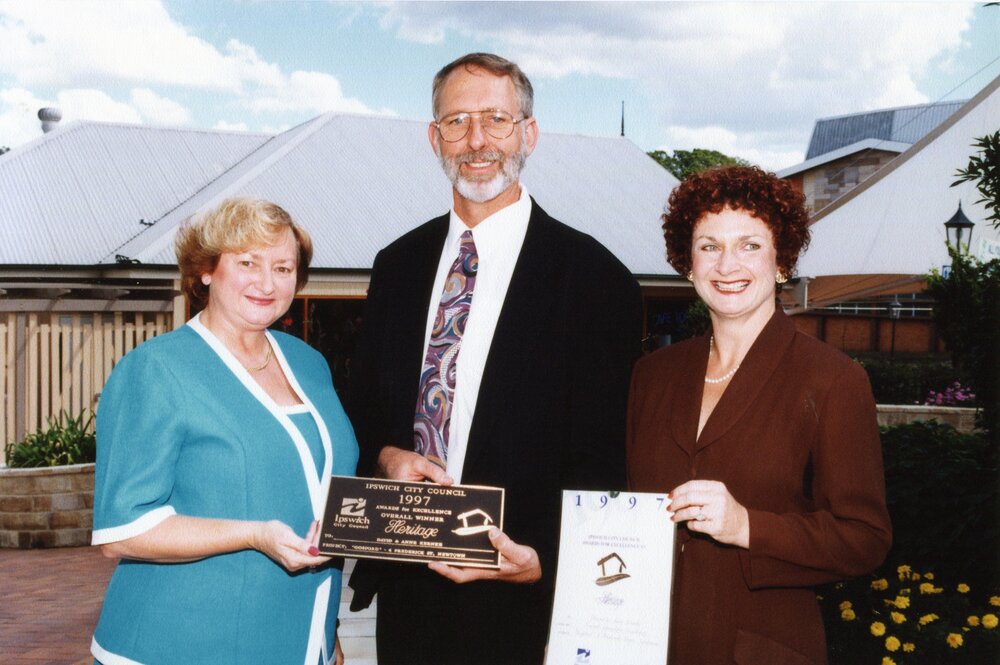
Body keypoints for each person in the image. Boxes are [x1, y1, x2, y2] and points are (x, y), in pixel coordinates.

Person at [347, 53, 643, 665]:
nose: (476, 141)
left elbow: (607, 458)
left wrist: (546, 561)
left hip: (522, 600)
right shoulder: (395, 266)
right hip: (407, 591)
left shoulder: (594, 278)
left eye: (496, 120)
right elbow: (365, 407)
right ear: (434, 138)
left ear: (528, 133)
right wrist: (385, 453)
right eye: (456, 122)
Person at [627, 166, 892, 664]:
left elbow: (865, 539)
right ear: (688, 263)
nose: (728, 265)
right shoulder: (652, 374)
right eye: (709, 246)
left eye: (749, 245)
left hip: (760, 648)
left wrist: (747, 525)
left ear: (782, 260)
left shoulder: (832, 380)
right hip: (645, 645)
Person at [90, 198, 358, 665]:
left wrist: (325, 634)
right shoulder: (155, 370)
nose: (267, 283)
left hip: (298, 639)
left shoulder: (308, 364)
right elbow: (124, 531)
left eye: (282, 267)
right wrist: (254, 534)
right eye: (248, 263)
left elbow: (319, 497)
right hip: (178, 646)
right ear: (207, 270)